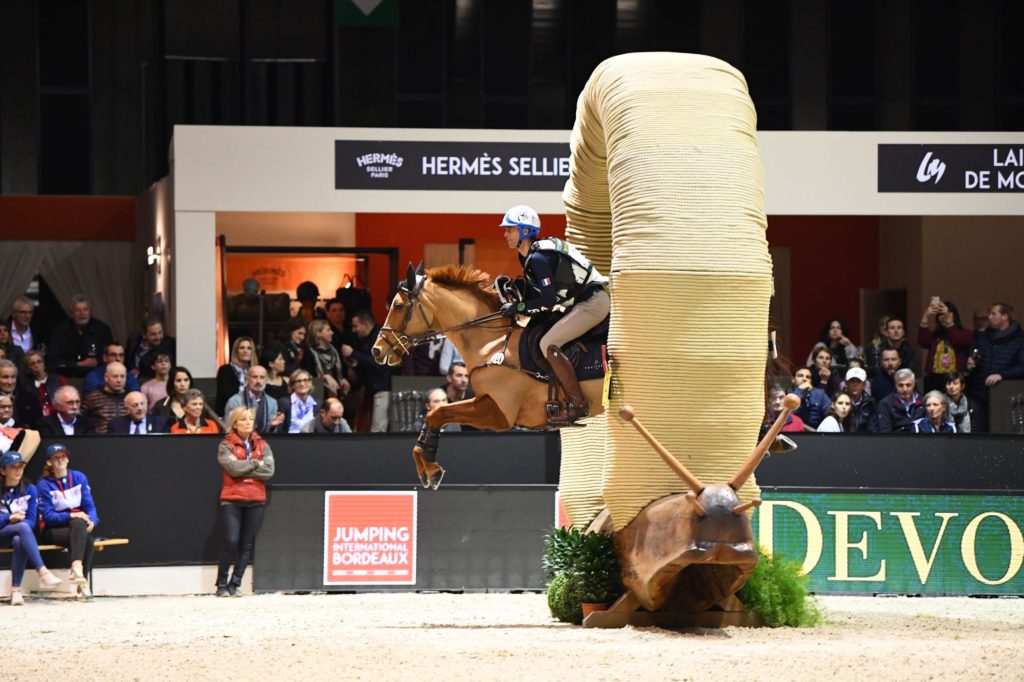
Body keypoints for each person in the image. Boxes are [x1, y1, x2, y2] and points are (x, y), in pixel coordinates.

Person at [497, 204, 610, 425]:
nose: (505, 234)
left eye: (509, 230)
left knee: (548, 343)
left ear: (524, 232)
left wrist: (519, 309)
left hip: (593, 303)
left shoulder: (538, 259)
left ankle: (577, 404)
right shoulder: (528, 256)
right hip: (580, 303)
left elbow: (548, 301)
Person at [216, 406, 275, 597]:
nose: (248, 422)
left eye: (250, 419)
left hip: (256, 499)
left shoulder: (262, 444)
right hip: (232, 499)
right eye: (243, 419)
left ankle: (235, 584)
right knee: (231, 541)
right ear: (234, 423)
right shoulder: (226, 445)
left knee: (247, 544)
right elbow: (232, 468)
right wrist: (255, 463)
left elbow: (269, 471)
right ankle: (221, 584)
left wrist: (244, 466)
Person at [37, 443, 99, 599]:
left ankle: (80, 581)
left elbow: (89, 506)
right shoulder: (44, 485)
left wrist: (92, 521)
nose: (60, 460)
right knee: (79, 525)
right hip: (52, 530)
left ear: (68, 459)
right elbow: (49, 517)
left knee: (88, 538)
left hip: (76, 528)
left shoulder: (79, 477)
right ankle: (79, 572)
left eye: (63, 456)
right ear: (49, 462)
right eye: (55, 457)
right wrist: (71, 516)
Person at [0, 451, 63, 605]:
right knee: (21, 528)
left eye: (20, 466)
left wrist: (17, 525)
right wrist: (9, 518)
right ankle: (42, 571)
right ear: (3, 470)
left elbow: (30, 521)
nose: (18, 470)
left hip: (16, 534)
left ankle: (16, 592)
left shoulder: (30, 489)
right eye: (13, 467)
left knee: (18, 539)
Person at [967, 302, 1024, 416]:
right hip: (979, 396)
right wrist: (970, 364)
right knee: (978, 432)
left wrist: (1001, 375)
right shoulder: (983, 338)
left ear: (1005, 317)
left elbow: (1022, 367)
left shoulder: (1019, 341)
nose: (989, 317)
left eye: (993, 314)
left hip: (1004, 397)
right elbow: (973, 355)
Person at [344, 311, 392, 432]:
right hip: (373, 390)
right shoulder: (368, 339)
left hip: (383, 389)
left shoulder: (381, 337)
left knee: (378, 429)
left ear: (365, 325)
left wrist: (353, 353)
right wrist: (356, 365)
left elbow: (378, 362)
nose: (353, 330)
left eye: (356, 326)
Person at [46, 295, 115, 378]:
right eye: (77, 310)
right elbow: (53, 359)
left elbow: (109, 356)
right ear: (71, 314)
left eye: (85, 309)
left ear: (90, 312)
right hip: (66, 376)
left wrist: (96, 362)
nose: (82, 313)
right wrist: (78, 364)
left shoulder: (102, 330)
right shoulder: (60, 331)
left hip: (96, 377)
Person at [917, 299, 973, 394]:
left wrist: (949, 323)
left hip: (955, 378)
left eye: (947, 314)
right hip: (934, 377)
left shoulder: (966, 333)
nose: (944, 317)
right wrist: (926, 316)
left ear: (954, 315)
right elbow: (923, 342)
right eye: (940, 315)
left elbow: (956, 339)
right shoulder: (935, 336)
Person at [224, 365, 284, 435]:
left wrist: (272, 426)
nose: (258, 381)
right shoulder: (234, 401)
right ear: (247, 378)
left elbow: (271, 432)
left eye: (262, 377)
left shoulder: (272, 402)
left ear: (266, 380)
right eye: (255, 377)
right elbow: (228, 429)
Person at [304, 319, 347, 400]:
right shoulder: (309, 352)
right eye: (328, 330)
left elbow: (338, 372)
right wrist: (324, 377)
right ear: (318, 333)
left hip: (334, 391)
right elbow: (307, 375)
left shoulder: (333, 350)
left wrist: (342, 379)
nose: (332, 333)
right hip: (316, 391)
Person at [83, 361, 128, 433]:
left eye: (122, 376)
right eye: (115, 376)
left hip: (127, 440)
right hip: (99, 441)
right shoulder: (92, 397)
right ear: (106, 377)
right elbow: (80, 421)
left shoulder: (131, 398)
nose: (119, 380)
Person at [215, 336, 255, 417]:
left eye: (249, 348)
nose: (245, 351)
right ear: (236, 351)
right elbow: (227, 395)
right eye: (242, 348)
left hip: (252, 414)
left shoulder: (254, 371)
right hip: (231, 413)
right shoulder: (225, 370)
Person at [878, 368, 924, 433]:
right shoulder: (886, 404)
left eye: (908, 385)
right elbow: (885, 432)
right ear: (895, 385)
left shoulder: (923, 402)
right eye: (900, 385)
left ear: (914, 384)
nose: (904, 389)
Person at [22, 349, 65, 418]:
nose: (36, 365)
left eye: (39, 362)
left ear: (44, 363)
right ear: (28, 368)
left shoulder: (58, 380)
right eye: (32, 364)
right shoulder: (26, 386)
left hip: (58, 417)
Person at [277, 369, 319, 434]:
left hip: (311, 441)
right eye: (298, 381)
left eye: (305, 380)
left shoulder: (317, 404)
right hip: (290, 441)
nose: (302, 384)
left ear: (310, 383)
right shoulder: (284, 402)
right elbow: (280, 429)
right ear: (292, 385)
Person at [844, 367, 879, 433]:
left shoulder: (870, 403)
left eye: (858, 381)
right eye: (852, 381)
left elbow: (873, 428)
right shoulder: (839, 401)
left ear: (864, 385)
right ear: (846, 384)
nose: (855, 384)